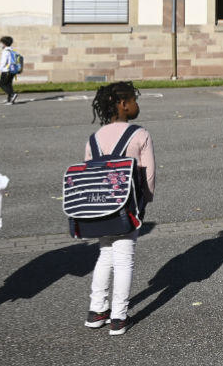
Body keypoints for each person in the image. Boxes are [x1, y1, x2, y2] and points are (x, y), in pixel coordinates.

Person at [84, 81, 156, 335]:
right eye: (134, 100)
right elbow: (148, 175)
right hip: (128, 206)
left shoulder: (94, 138)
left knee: (105, 254)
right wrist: (145, 201)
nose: (137, 104)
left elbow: (88, 172)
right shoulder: (139, 134)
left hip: (100, 207)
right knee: (124, 258)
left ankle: (97, 310)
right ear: (124, 105)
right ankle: (119, 315)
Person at [0, 36, 18, 105]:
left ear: (4, 43)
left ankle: (12, 94)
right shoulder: (11, 50)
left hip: (6, 70)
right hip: (12, 70)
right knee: (8, 84)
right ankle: (10, 100)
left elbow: (4, 61)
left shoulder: (5, 51)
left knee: (2, 84)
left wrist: (0, 68)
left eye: (1, 43)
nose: (0, 44)